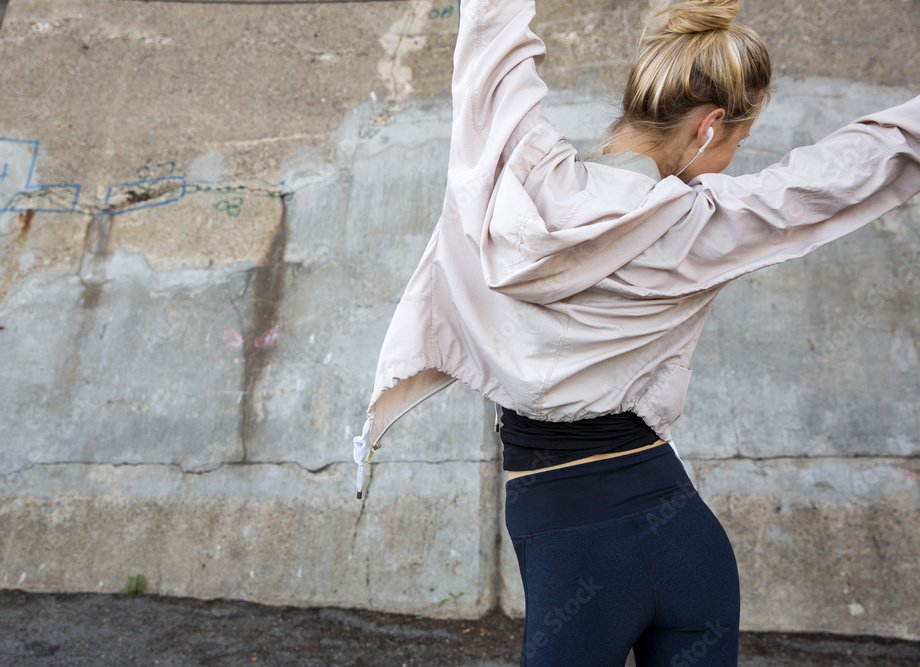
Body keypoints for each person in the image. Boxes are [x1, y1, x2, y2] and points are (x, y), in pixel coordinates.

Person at [352, 0, 920, 664]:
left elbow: (492, 43)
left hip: (573, 556)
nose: (730, 160)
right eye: (736, 144)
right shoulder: (700, 225)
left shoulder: (508, 177)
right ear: (709, 126)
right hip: (687, 549)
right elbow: (849, 168)